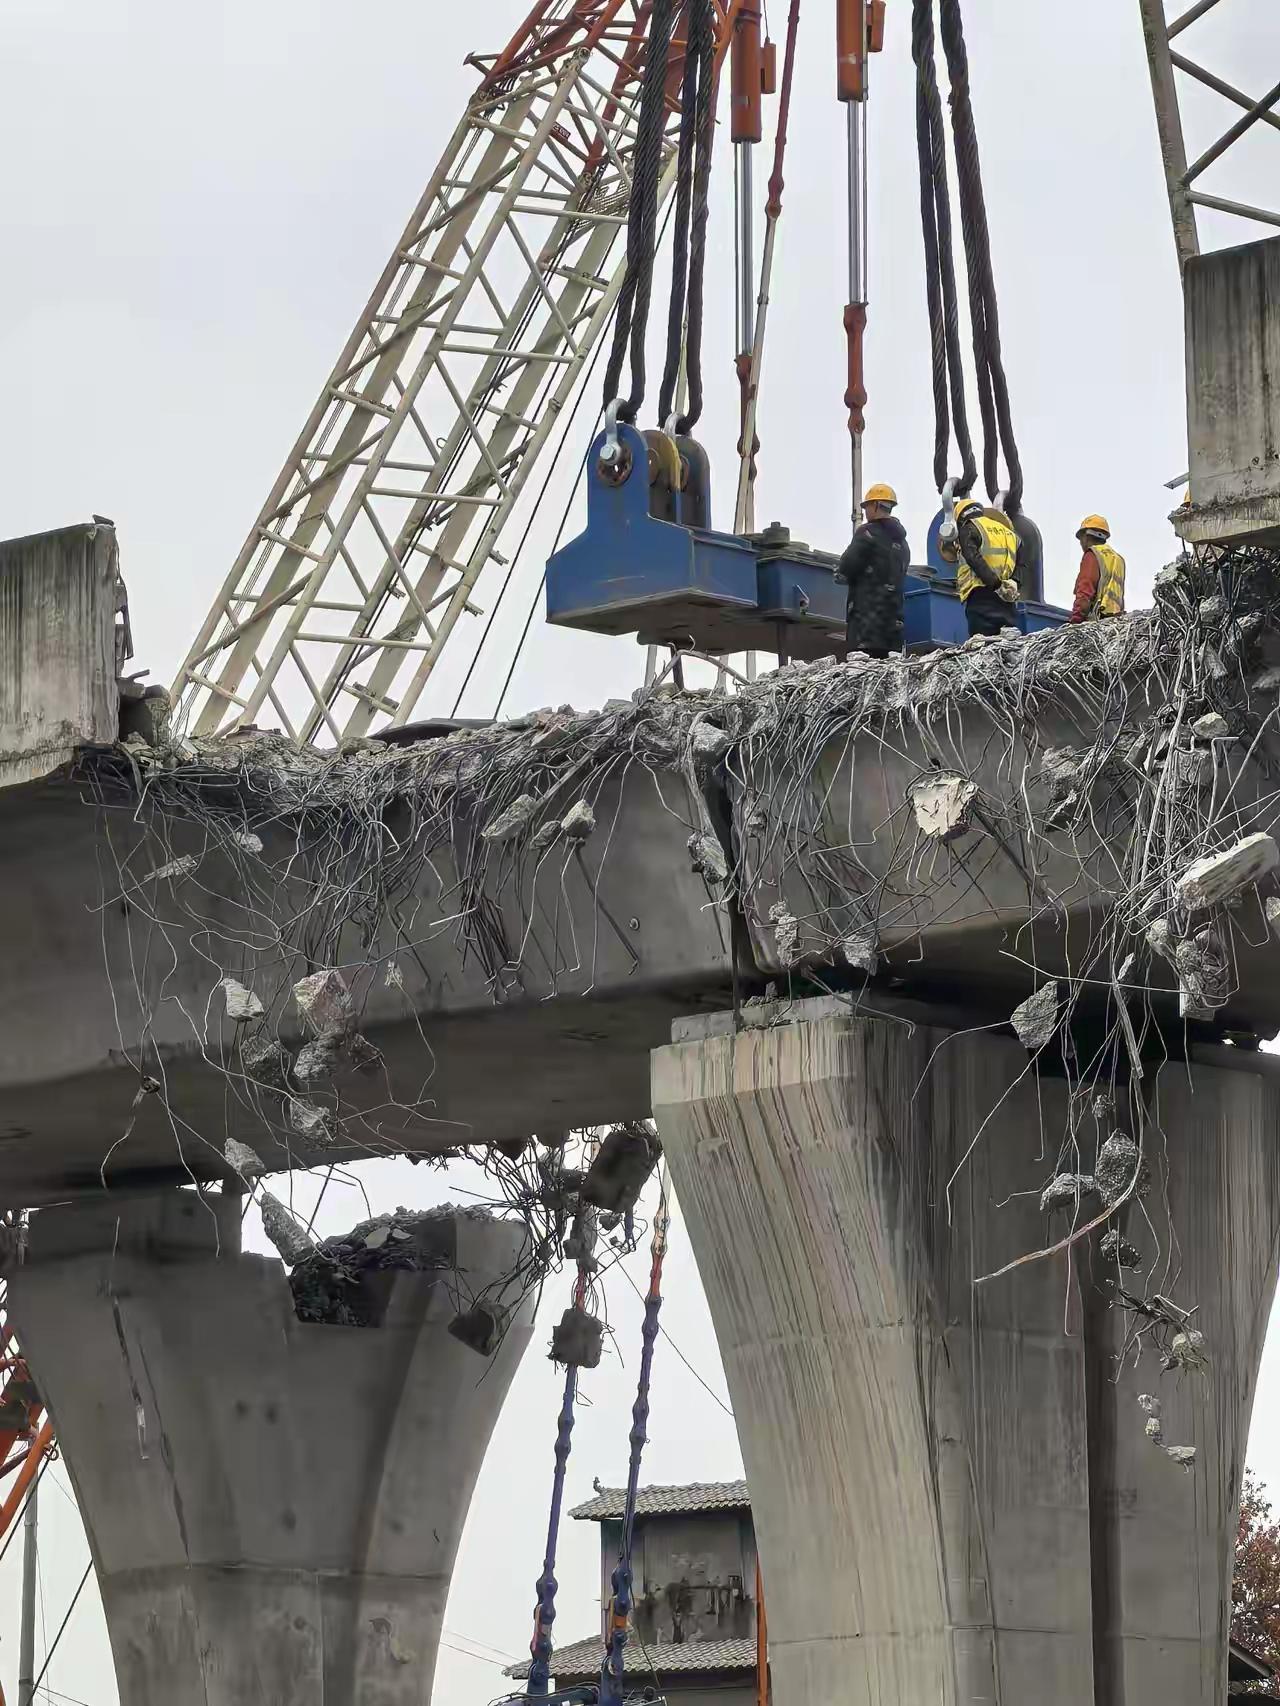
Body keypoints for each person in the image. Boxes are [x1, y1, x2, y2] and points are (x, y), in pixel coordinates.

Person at [835, 482, 910, 659]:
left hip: (866, 627)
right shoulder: (902, 543)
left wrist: (841, 574)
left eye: (867, 506)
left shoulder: (867, 533)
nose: (866, 512)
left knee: (861, 671)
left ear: (876, 505)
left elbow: (847, 565)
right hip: (893, 630)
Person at [940, 496, 1020, 636]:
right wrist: (1015, 583)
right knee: (1007, 643)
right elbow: (1022, 561)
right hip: (1008, 598)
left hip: (981, 597)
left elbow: (973, 558)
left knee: (982, 643)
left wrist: (996, 584)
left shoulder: (969, 528)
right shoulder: (1008, 533)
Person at [1070, 514, 1125, 622]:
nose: (1081, 543)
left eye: (1081, 539)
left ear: (1086, 537)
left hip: (1097, 620)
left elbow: (1085, 589)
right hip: (1115, 621)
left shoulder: (1092, 555)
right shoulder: (1118, 559)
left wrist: (1076, 620)